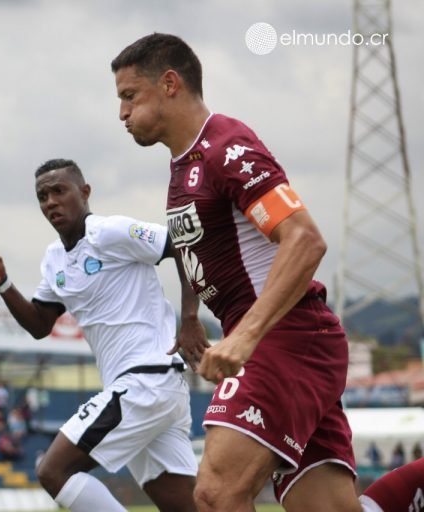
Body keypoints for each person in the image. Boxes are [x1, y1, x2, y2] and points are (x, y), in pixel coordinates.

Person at [112, 32, 424, 512]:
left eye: (129, 96)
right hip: (287, 342)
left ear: (170, 84)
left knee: (217, 494)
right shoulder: (185, 164)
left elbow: (304, 239)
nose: (122, 114)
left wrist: (244, 339)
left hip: (285, 337)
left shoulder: (226, 146)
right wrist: (194, 316)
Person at [0, 158, 199, 512]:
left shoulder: (109, 232)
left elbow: (184, 246)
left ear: (85, 192)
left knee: (53, 472)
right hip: (156, 391)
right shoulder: (54, 260)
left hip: (145, 381)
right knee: (187, 507)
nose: (50, 201)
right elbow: (39, 325)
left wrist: (189, 319)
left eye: (59, 191)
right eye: (42, 196)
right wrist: (4, 285)